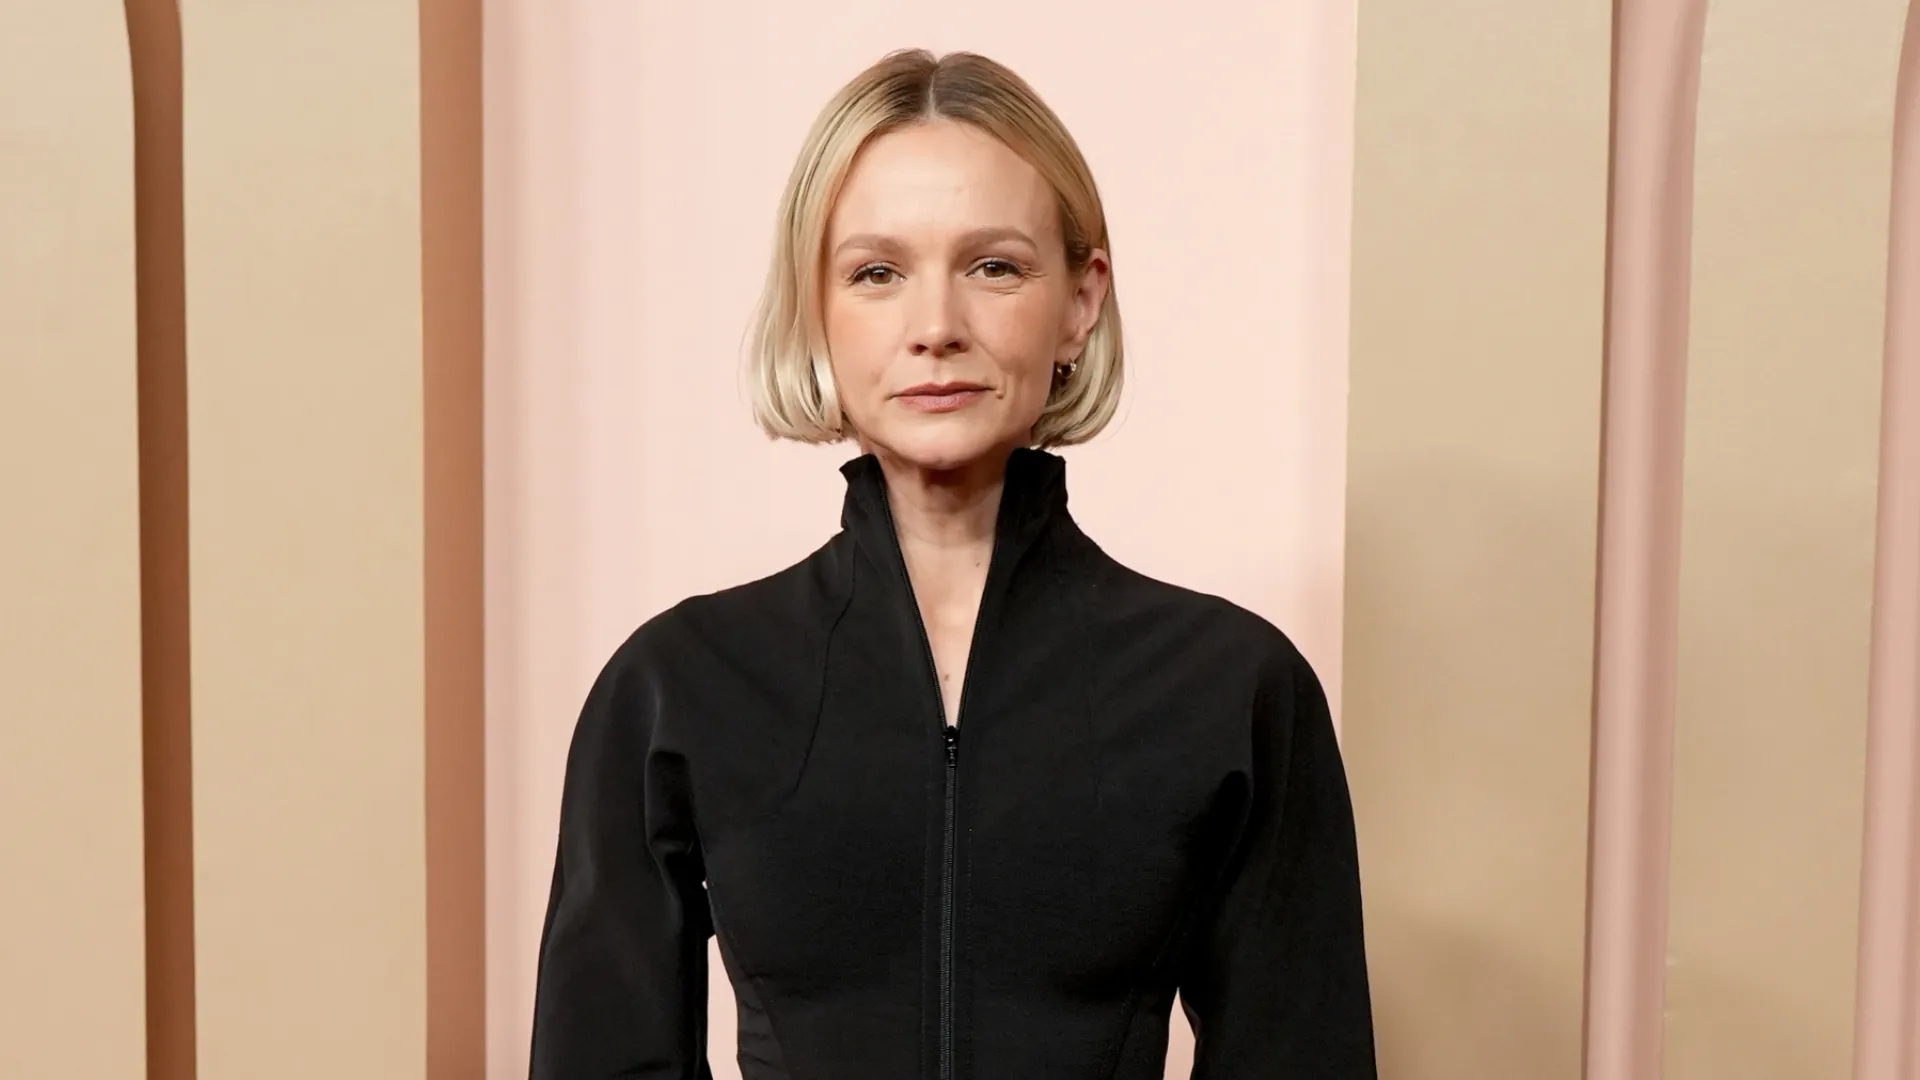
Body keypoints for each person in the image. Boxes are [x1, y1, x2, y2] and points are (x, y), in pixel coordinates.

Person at [527, 47, 1376, 1080]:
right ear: (817, 311)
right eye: (877, 272)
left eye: (995, 266)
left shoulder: (1234, 687)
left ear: (1080, 301)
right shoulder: (676, 689)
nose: (936, 328)